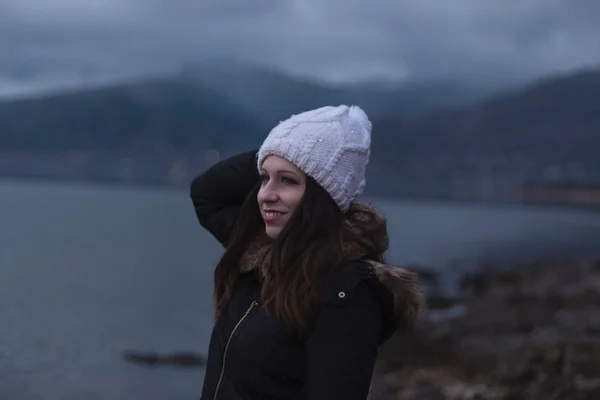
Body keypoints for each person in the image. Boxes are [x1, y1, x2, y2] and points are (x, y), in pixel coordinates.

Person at [190, 105, 423, 400]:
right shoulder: (261, 254)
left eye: (287, 180)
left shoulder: (345, 292)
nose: (266, 194)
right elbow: (206, 193)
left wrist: (314, 157)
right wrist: (282, 149)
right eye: (264, 178)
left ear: (321, 195)